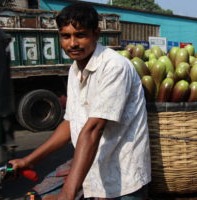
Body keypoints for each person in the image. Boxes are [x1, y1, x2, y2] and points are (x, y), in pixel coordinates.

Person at [9, 2, 151, 200]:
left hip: (122, 181)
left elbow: (93, 129)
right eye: (66, 36)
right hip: (92, 174)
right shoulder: (75, 70)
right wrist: (29, 160)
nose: (72, 43)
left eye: (81, 35)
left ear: (96, 33)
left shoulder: (114, 67)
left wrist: (68, 192)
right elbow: (70, 123)